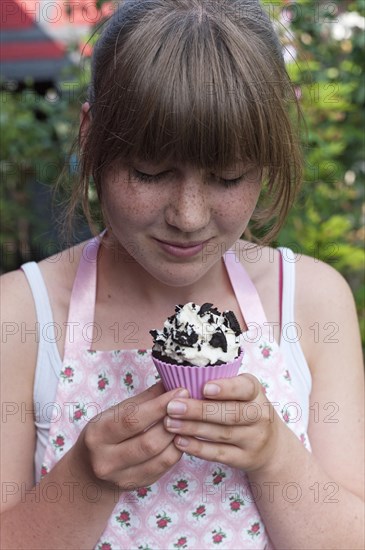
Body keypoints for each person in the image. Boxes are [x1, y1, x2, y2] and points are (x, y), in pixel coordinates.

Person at [1, 1, 364, 548]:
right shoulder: (21, 313)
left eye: (227, 177)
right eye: (149, 172)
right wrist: (85, 480)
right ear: (89, 138)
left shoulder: (310, 301)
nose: (188, 216)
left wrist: (275, 454)